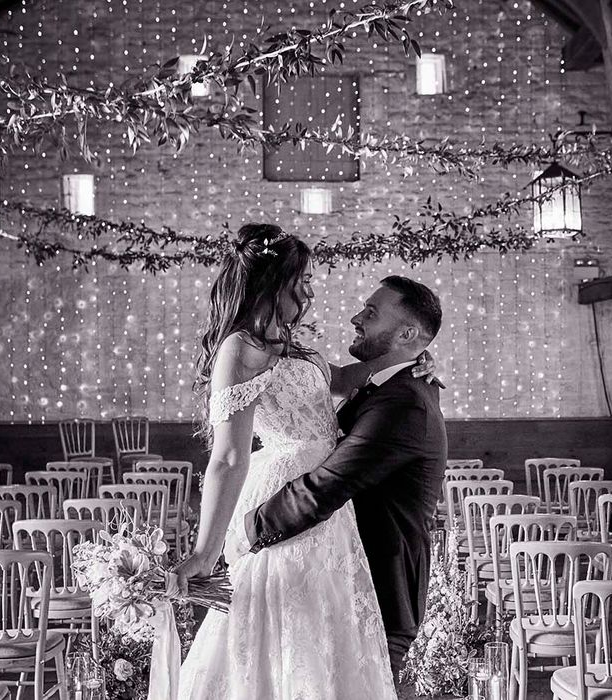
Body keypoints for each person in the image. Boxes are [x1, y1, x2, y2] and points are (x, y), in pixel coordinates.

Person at [176, 223, 404, 699]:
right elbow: (230, 456)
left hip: (327, 492)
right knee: (285, 617)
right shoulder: (240, 348)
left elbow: (340, 380)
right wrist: (205, 551)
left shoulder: (291, 342)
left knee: (327, 620)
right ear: (273, 281)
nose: (310, 289)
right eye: (302, 279)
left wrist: (409, 359)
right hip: (285, 492)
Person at [243, 274, 448, 681]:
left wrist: (245, 529)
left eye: (371, 313)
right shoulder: (389, 387)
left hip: (379, 601)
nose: (356, 317)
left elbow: (327, 485)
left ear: (407, 332)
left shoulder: (404, 403)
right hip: (347, 587)